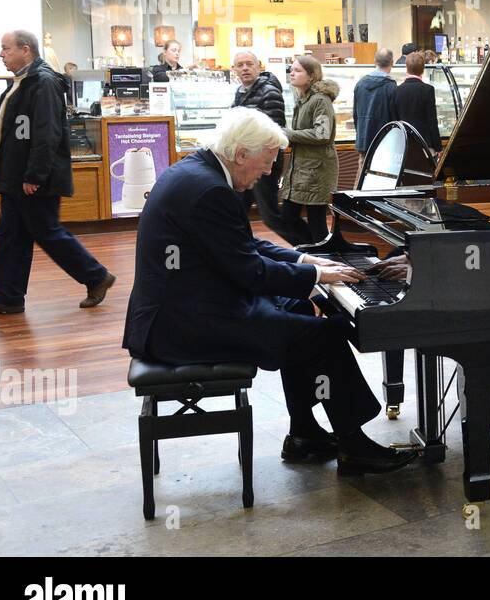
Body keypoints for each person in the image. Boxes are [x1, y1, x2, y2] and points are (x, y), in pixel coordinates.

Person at [122, 107, 415, 475]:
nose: (267, 173)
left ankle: (304, 434)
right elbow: (249, 271)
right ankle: (355, 446)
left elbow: (246, 246)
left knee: (299, 311)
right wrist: (315, 278)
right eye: (266, 163)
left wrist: (305, 262)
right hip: (183, 327)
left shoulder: (197, 172)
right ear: (240, 154)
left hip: (185, 307)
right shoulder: (210, 190)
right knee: (324, 336)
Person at [0, 31, 116, 316]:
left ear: (25, 50)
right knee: (12, 236)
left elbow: (46, 134)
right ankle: (8, 297)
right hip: (16, 177)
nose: (1, 54)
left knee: (47, 232)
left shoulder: (43, 82)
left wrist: (34, 175)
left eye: (6, 48)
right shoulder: (26, 81)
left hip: (34, 179)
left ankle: (96, 276)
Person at [279, 55, 338, 245]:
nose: (292, 73)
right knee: (288, 217)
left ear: (311, 76)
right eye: (291, 69)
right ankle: (310, 252)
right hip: (303, 167)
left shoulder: (320, 100)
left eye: (297, 70)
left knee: (317, 222)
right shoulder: (303, 99)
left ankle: (322, 259)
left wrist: (288, 134)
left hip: (317, 169)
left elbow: (322, 134)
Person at [230, 50, 287, 235]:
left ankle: (307, 246)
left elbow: (274, 131)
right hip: (245, 161)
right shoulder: (241, 92)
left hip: (262, 163)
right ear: (234, 70)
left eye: (249, 64)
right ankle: (240, 247)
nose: (245, 68)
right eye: (240, 65)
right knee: (237, 210)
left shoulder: (268, 92)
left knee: (270, 216)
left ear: (258, 66)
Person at [353, 48, 399, 161]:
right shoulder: (391, 87)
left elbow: (355, 115)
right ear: (392, 63)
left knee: (363, 174)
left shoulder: (360, 84)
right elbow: (395, 118)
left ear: (375, 61)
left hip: (364, 141)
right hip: (385, 142)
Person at [394, 50, 443, 153]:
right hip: (425, 143)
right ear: (423, 70)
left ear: (407, 68)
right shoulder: (428, 90)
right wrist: (438, 147)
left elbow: (395, 119)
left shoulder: (397, 90)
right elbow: (432, 121)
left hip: (404, 143)